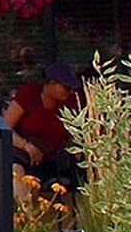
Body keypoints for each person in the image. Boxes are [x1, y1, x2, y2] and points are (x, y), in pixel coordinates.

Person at [5, 61, 83, 189]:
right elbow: (5, 127)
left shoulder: (70, 102)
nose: (70, 92)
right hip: (25, 155)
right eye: (67, 88)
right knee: (16, 171)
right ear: (51, 83)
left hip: (53, 160)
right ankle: (26, 208)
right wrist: (26, 146)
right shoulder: (29, 94)